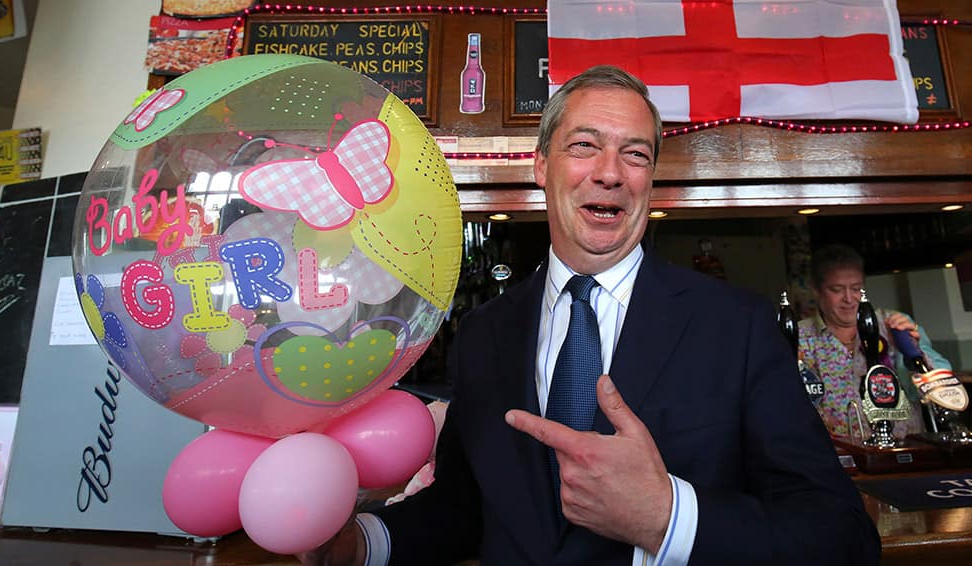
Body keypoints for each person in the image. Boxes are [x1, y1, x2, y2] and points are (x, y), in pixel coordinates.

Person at [301, 65, 880, 565]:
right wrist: (361, 543)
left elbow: (842, 537)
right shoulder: (485, 334)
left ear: (650, 180)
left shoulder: (736, 327)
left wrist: (666, 517)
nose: (610, 172)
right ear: (541, 165)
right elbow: (469, 507)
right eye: (584, 146)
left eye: (635, 154)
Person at [798, 243, 953, 440]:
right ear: (816, 290)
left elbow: (943, 388)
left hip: (906, 445)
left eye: (856, 288)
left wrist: (913, 353)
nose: (849, 298)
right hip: (835, 453)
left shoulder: (893, 324)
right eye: (837, 289)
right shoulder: (801, 337)